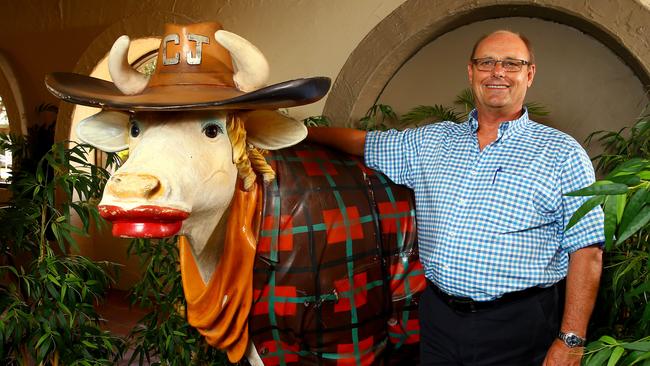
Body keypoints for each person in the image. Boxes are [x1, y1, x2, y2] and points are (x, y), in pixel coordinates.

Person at [308, 30, 604, 366]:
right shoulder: (431, 142)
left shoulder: (563, 154)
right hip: (438, 320)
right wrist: (298, 134)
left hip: (519, 326)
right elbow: (363, 143)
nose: (497, 72)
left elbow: (587, 251)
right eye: (487, 62)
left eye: (511, 64)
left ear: (529, 74)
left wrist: (571, 341)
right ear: (471, 72)